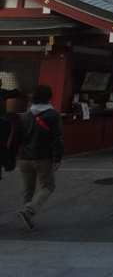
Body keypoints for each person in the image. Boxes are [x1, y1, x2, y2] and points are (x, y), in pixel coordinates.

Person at [9, 85, 63, 231]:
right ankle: (28, 211)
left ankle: (23, 221)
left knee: (28, 188)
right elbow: (56, 138)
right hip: (43, 158)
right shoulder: (53, 115)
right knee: (48, 186)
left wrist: (11, 156)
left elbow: (16, 138)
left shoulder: (25, 116)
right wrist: (57, 157)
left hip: (25, 158)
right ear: (49, 97)